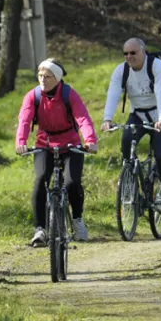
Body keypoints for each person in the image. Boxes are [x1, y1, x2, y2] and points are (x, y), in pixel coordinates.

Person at [15, 58, 99, 247]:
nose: (42, 80)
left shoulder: (69, 94)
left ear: (57, 78)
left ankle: (77, 219)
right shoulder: (33, 96)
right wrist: (21, 142)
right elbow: (25, 120)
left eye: (47, 76)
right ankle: (40, 229)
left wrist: (90, 141)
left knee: (72, 182)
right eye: (40, 76)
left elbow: (83, 118)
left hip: (70, 144)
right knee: (41, 180)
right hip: (44, 143)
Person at [101, 38, 161, 214]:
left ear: (143, 51)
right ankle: (131, 186)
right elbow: (113, 93)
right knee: (126, 143)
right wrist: (107, 119)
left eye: (133, 53)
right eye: (125, 53)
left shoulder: (156, 66)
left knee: (160, 154)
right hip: (138, 115)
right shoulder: (121, 71)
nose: (129, 56)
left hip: (160, 114)